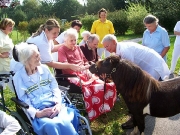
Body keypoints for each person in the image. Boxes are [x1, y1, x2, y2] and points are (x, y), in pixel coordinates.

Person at [102, 34, 170, 129]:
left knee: (144, 92)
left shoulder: (125, 51)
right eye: (105, 47)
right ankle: (138, 113)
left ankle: (137, 117)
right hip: (148, 65)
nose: (106, 49)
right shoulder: (119, 49)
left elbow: (130, 72)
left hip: (153, 65)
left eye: (107, 46)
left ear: (114, 42)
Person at [13, 43, 79, 135]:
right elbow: (23, 98)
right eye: (36, 56)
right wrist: (37, 113)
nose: (39, 58)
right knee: (51, 125)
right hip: (38, 109)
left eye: (39, 54)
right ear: (27, 60)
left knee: (65, 121)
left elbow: (55, 87)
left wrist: (59, 104)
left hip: (55, 104)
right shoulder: (18, 77)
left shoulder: (44, 69)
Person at [58, 28, 117, 121]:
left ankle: (103, 108)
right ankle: (93, 111)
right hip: (72, 75)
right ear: (65, 40)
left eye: (75, 40)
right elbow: (65, 65)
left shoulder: (77, 47)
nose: (74, 42)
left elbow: (85, 61)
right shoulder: (62, 49)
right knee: (90, 89)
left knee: (102, 84)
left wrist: (87, 69)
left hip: (84, 72)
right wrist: (77, 68)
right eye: (71, 40)